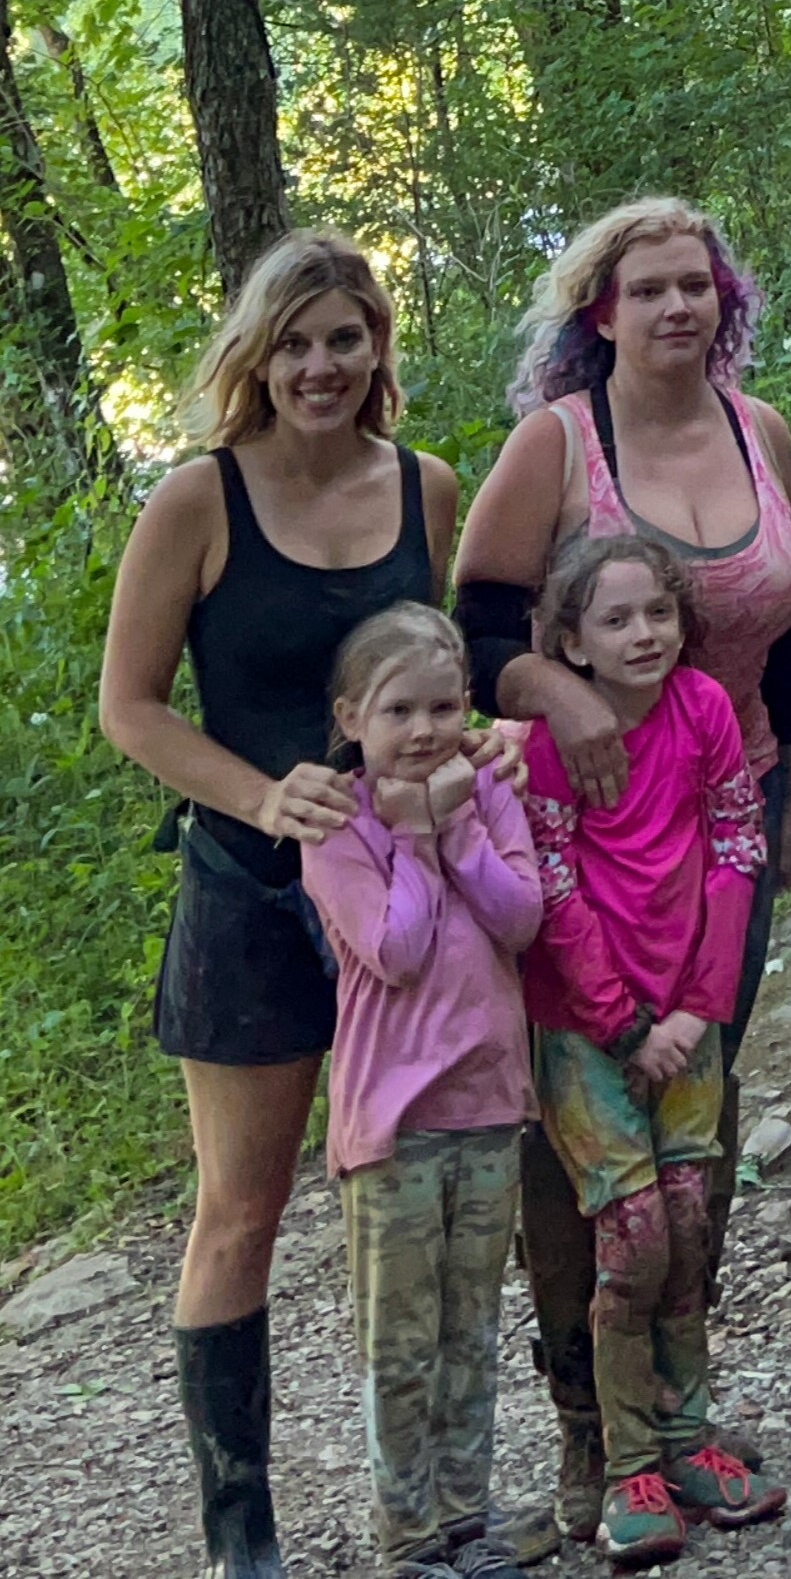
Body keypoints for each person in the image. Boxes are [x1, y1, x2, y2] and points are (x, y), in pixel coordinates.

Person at [98, 232, 462, 1579]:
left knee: (423, 1193)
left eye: (346, 338)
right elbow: (129, 709)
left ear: (378, 350)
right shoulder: (200, 502)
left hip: (407, 900)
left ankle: (430, 1500)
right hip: (251, 893)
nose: (322, 365)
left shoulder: (424, 489)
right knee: (241, 1211)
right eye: (297, 341)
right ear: (259, 354)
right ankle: (238, 1531)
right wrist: (262, 800)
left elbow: (443, 672)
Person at [453, 196, 791, 1545]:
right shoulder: (559, 445)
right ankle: (590, 1437)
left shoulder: (762, 429)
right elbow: (477, 615)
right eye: (648, 288)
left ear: (727, 301)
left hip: (727, 812)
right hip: (579, 826)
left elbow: (783, 641)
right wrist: (564, 695)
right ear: (598, 312)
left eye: (698, 286)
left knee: (691, 1135)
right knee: (584, 1151)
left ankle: (683, 1414)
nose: (677, 307)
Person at [520, 534, 774, 1563]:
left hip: (688, 1018)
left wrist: (694, 1009)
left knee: (685, 1225)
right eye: (616, 620)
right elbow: (554, 886)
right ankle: (625, 1461)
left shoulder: (706, 711)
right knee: (628, 1245)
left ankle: (689, 1434)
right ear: (570, 643)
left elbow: (736, 846)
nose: (644, 635)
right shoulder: (548, 743)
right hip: (590, 1035)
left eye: (658, 614)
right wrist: (624, 1020)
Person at [303, 606, 541, 1579]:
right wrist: (410, 838)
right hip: (393, 1128)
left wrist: (455, 830)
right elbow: (394, 949)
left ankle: (464, 1521)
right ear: (352, 715)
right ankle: (405, 1541)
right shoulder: (337, 822)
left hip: (489, 1106)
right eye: (399, 710)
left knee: (469, 1334)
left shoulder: (485, 789)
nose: (425, 730)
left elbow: (522, 916)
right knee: (399, 1347)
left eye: (444, 706)